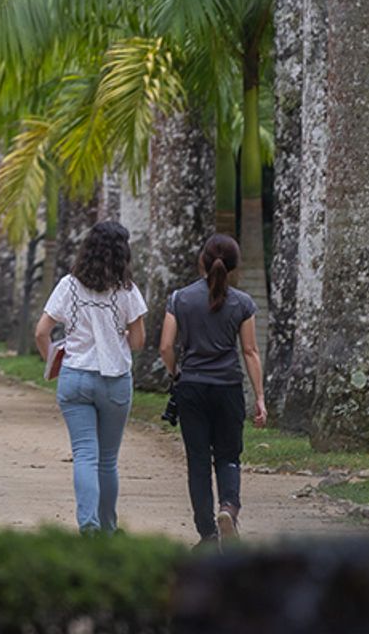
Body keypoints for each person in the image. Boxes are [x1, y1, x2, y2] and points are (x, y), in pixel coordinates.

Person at [33, 221, 147, 533]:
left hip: (75, 377)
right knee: (107, 460)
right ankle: (109, 527)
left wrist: (54, 361)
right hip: (114, 380)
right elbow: (137, 342)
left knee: (85, 455)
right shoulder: (128, 292)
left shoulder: (68, 285)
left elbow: (42, 331)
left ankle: (88, 525)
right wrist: (120, 333)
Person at [160, 233, 266, 545]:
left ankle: (207, 532)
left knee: (197, 461)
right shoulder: (243, 303)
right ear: (233, 267)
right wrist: (259, 397)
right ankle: (229, 510)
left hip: (191, 387)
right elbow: (250, 352)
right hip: (228, 389)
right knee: (229, 455)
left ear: (202, 261)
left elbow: (166, 346)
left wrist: (176, 374)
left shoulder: (179, 299)